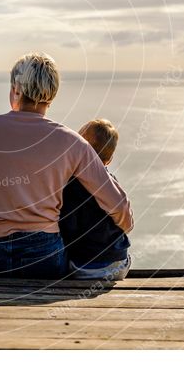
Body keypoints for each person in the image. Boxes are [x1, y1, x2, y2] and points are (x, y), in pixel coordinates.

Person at [0, 52, 133, 279]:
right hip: (45, 262)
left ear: (16, 89)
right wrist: (122, 231)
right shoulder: (73, 143)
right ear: (52, 95)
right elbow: (119, 206)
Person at [59, 119, 132, 281]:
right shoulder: (112, 184)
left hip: (82, 267)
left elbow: (66, 229)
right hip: (118, 264)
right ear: (110, 160)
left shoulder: (68, 185)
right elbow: (127, 223)